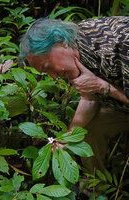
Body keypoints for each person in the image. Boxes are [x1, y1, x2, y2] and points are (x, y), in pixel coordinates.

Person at [20, 16, 129, 173]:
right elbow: (89, 97)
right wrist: (67, 137)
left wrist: (102, 86)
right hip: (122, 105)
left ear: (61, 42)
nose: (54, 76)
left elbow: (97, 87)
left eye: (48, 66)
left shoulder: (120, 42)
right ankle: (95, 188)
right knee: (88, 130)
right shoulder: (73, 51)